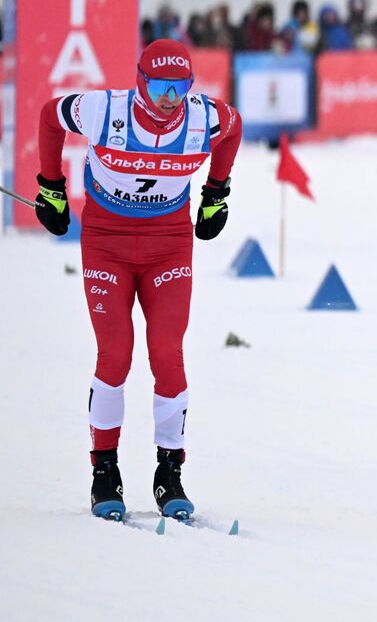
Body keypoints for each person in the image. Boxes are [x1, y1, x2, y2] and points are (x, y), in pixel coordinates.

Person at [33, 40, 243, 521]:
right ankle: (103, 471)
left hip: (167, 244)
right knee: (116, 355)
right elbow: (49, 116)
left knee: (167, 353)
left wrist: (216, 192)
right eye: (160, 86)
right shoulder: (104, 110)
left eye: (181, 87)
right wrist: (51, 186)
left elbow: (233, 131)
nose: (171, 98)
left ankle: (169, 473)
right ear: (140, 81)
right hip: (107, 243)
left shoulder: (203, 117)